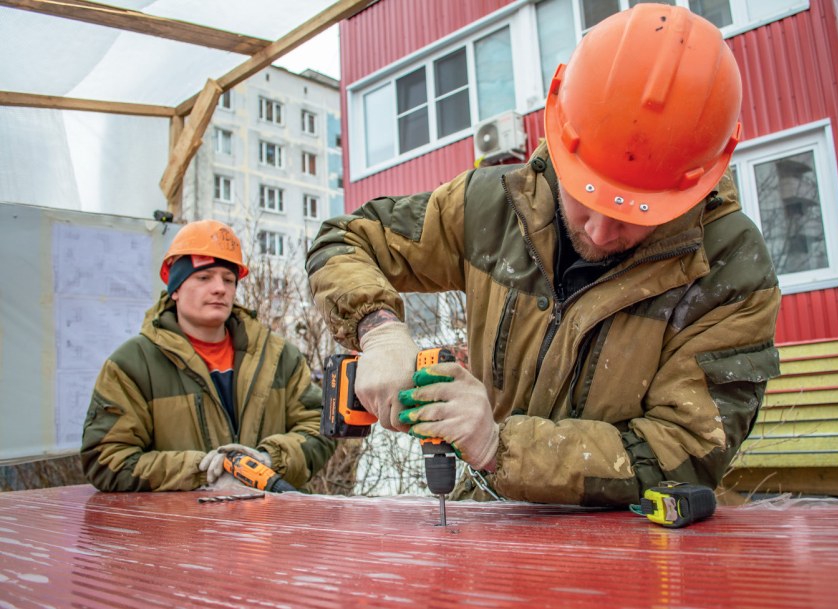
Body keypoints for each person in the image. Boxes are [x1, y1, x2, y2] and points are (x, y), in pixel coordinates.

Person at [306, 4, 781, 506]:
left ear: (692, 185)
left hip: (633, 548)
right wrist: (378, 329)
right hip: (490, 521)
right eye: (586, 195)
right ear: (561, 142)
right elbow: (346, 237)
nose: (599, 232)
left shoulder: (729, 268)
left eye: (636, 213)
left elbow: (686, 450)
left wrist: (500, 445)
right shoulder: (491, 206)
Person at [82, 220, 335, 491]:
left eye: (228, 280)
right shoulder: (133, 364)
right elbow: (106, 458)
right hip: (181, 529)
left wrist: (267, 459)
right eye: (204, 277)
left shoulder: (279, 357)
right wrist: (203, 471)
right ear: (175, 289)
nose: (220, 288)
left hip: (269, 524)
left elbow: (321, 426)